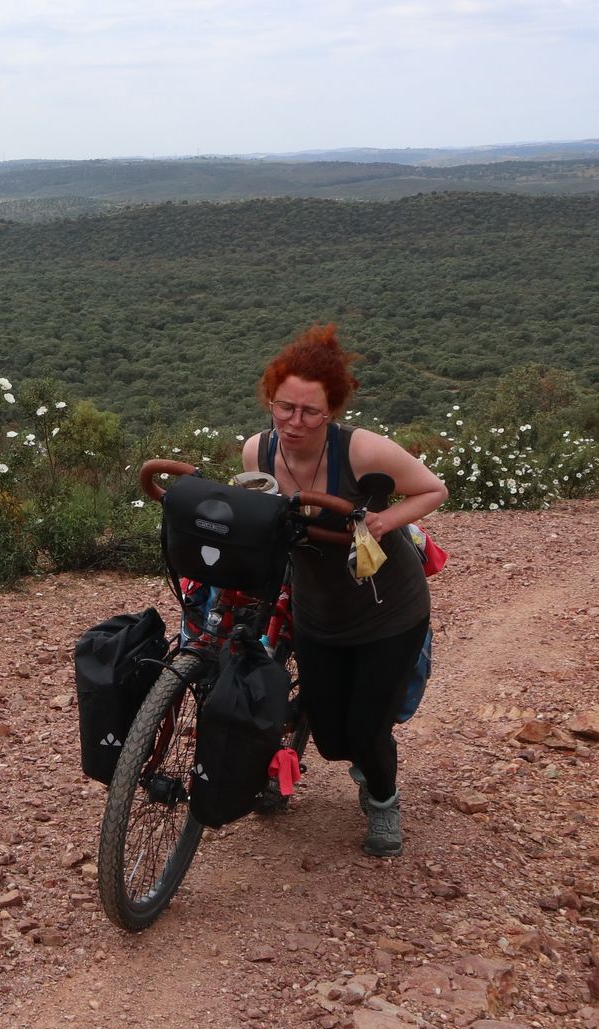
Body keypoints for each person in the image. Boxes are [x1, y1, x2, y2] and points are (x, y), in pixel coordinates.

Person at [241, 323, 447, 857]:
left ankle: (382, 801)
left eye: (310, 412)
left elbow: (432, 489)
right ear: (271, 400)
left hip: (388, 612)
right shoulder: (257, 453)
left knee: (368, 731)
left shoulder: (362, 451)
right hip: (318, 612)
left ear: (331, 411)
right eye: (284, 407)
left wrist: (383, 521)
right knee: (332, 737)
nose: (295, 422)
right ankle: (329, 751)